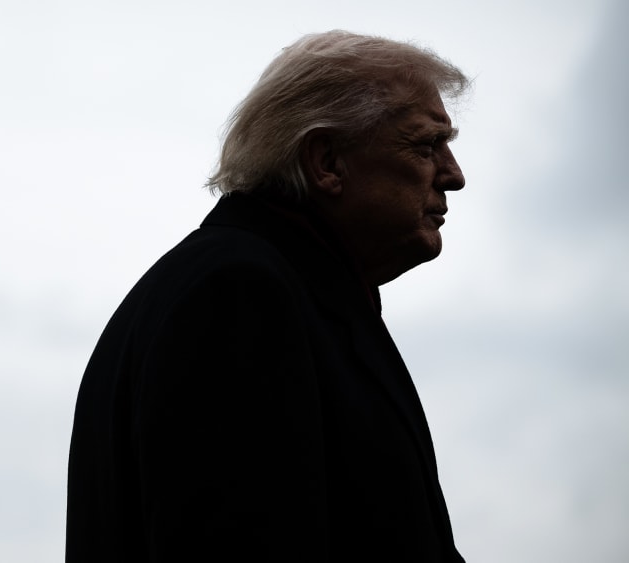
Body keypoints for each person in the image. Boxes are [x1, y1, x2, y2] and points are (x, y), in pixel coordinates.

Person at [66, 30, 469, 562]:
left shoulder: (272, 288)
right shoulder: (239, 295)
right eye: (424, 145)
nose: (454, 176)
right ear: (327, 162)